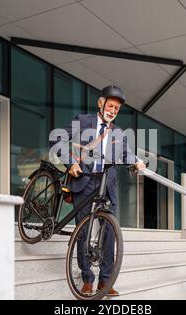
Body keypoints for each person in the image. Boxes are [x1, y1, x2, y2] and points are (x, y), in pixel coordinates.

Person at [53, 85, 145, 296]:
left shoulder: (119, 132)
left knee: (110, 233)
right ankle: (87, 279)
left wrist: (137, 162)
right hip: (83, 181)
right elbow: (57, 139)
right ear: (100, 103)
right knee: (82, 232)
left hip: (106, 185)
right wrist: (70, 164)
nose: (113, 110)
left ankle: (106, 281)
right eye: (110, 105)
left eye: (117, 108)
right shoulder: (83, 121)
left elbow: (127, 154)